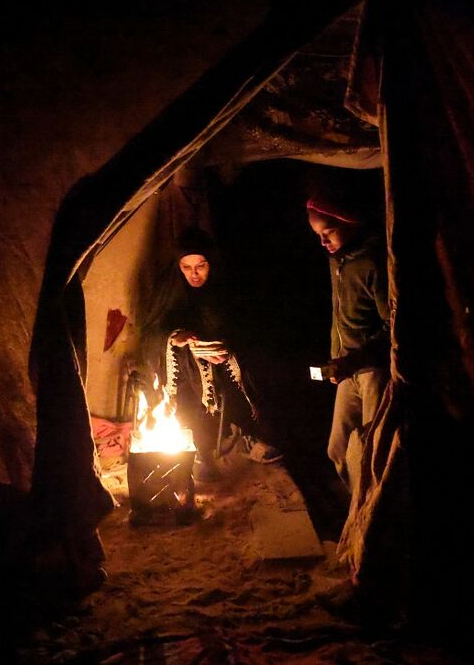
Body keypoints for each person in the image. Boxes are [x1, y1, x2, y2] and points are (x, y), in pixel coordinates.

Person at [150, 227, 282, 479]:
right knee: (186, 384)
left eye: (201, 266)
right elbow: (153, 332)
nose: (194, 274)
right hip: (184, 368)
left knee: (240, 368)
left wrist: (225, 348)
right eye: (186, 267)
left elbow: (244, 328)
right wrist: (176, 338)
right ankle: (199, 449)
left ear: (211, 264)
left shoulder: (226, 290)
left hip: (221, 362)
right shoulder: (170, 291)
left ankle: (245, 435)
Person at [306, 195, 390, 500]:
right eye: (318, 235)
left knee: (373, 448)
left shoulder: (372, 263)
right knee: (338, 448)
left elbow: (392, 326)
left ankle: (377, 511)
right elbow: (338, 316)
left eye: (328, 232)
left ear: (349, 223)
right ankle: (359, 504)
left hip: (372, 371)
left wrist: (356, 360)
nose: (323, 241)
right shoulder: (338, 262)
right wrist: (336, 358)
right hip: (346, 368)